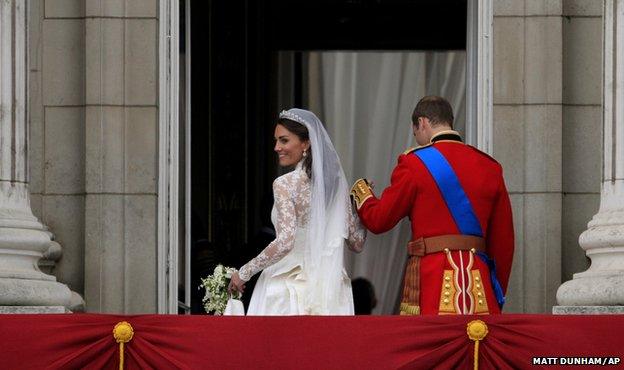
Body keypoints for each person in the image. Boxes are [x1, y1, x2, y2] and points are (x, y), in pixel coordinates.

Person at [350, 96, 514, 315]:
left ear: (423, 122)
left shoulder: (413, 163)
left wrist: (362, 192)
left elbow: (380, 219)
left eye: (415, 131)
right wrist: (495, 291)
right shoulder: (490, 166)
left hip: (433, 282)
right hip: (480, 288)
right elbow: (504, 243)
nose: (417, 137)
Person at [229, 108, 367, 315]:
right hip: (331, 292)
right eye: (276, 141)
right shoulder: (337, 188)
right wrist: (362, 203)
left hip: (287, 288)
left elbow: (285, 242)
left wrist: (244, 272)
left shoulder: (284, 184)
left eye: (284, 141)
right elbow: (357, 242)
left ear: (306, 143)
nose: (276, 147)